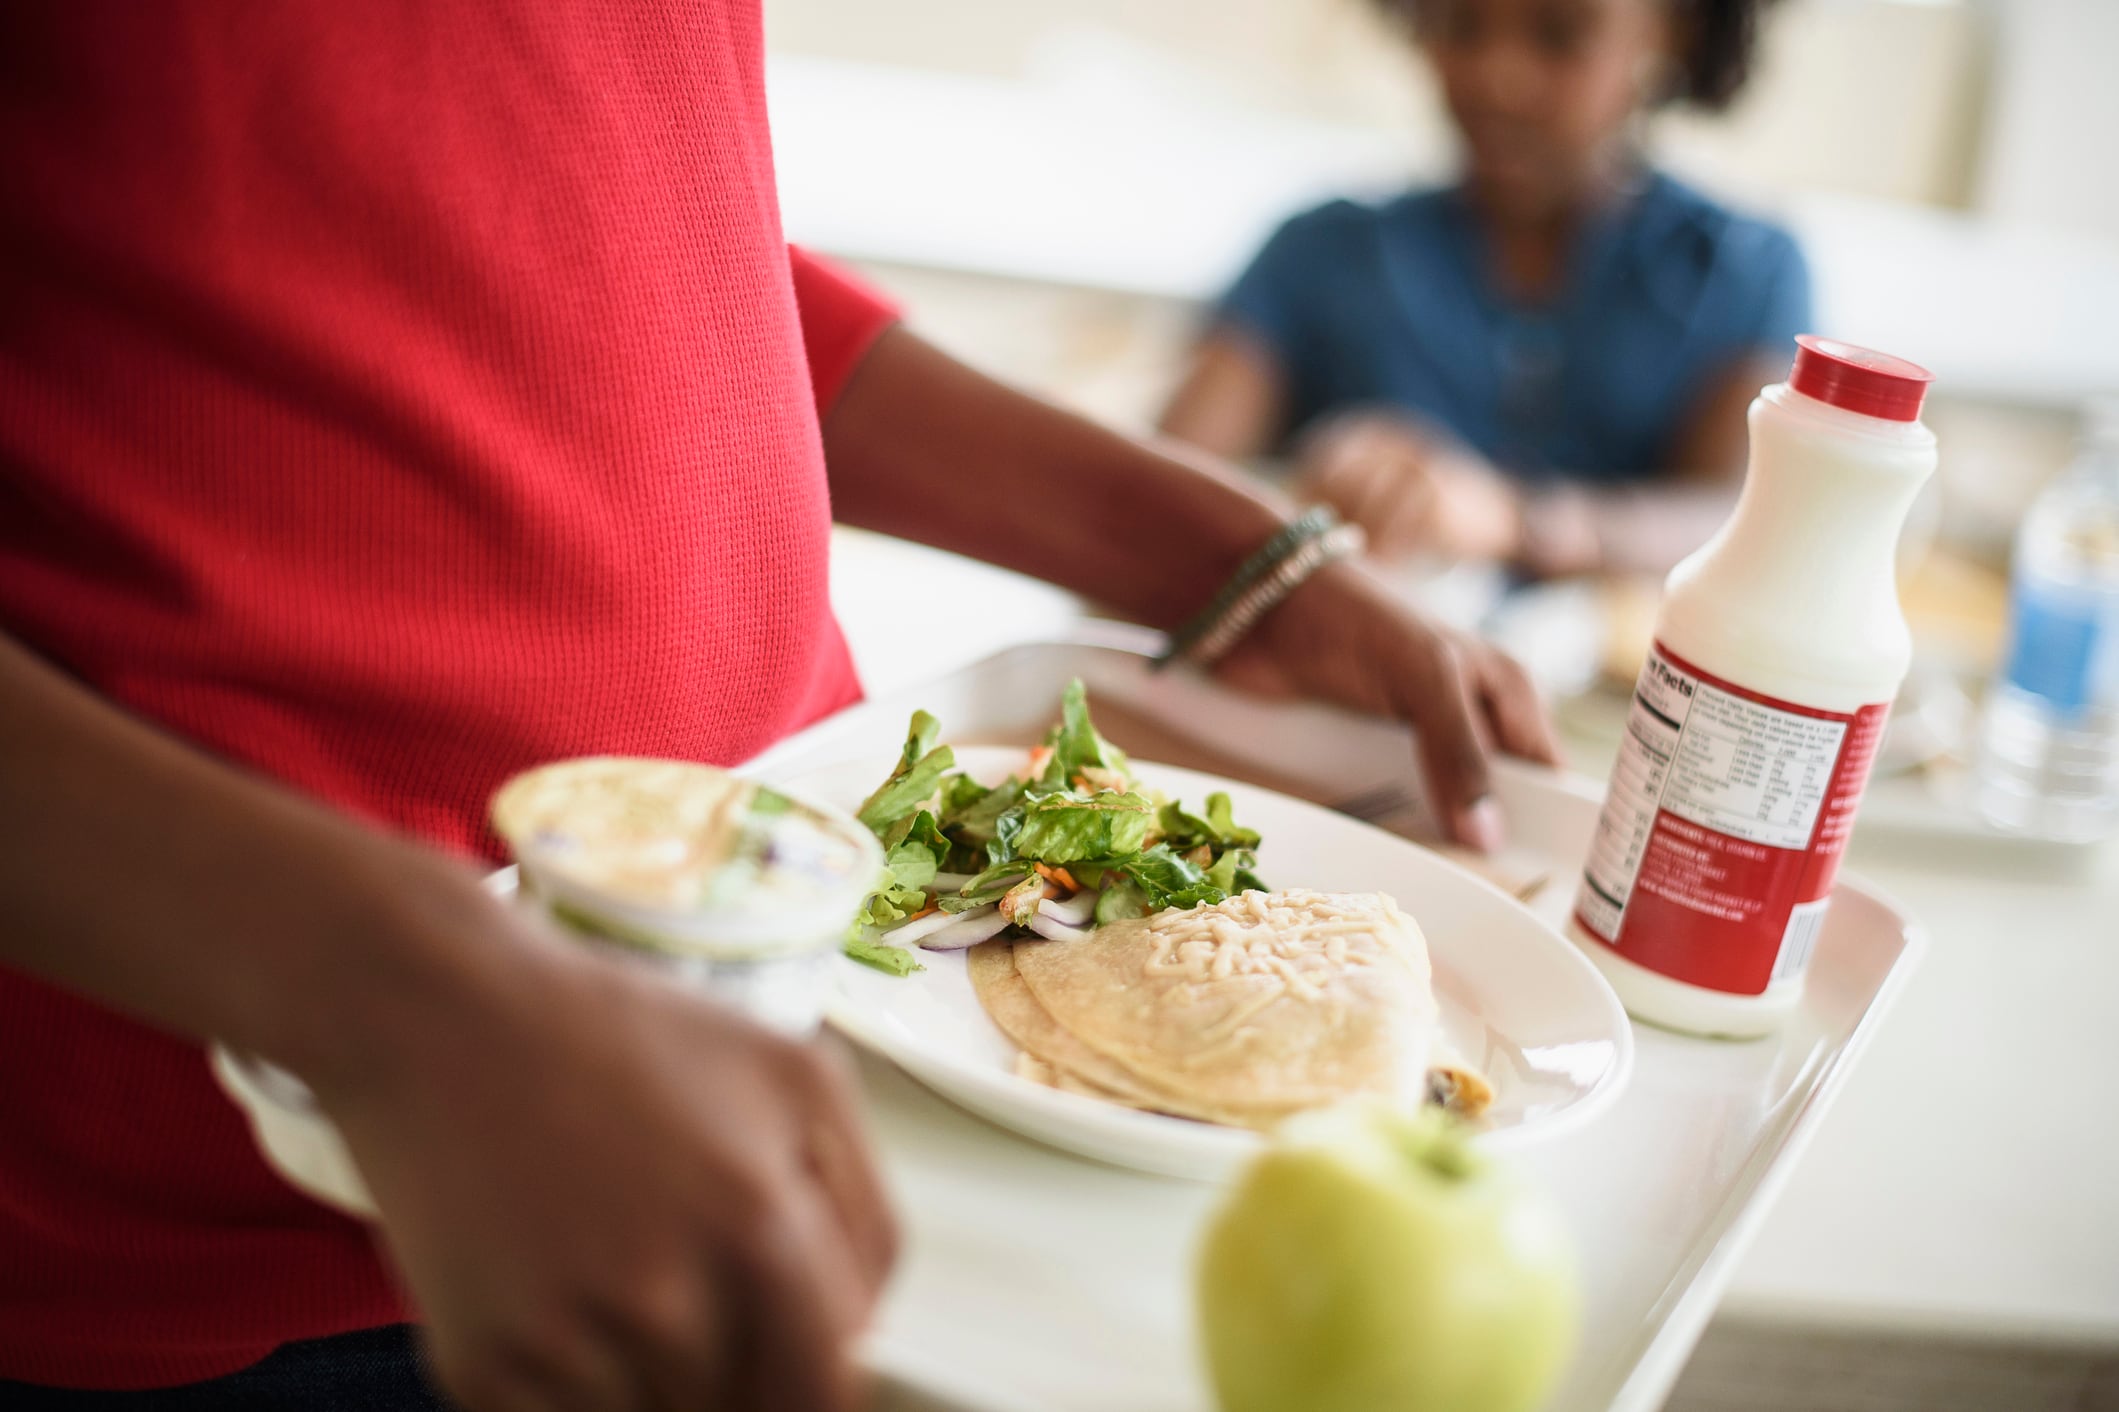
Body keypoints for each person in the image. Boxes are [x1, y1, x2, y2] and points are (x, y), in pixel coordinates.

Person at [0, 4, 1557, 1410]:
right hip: (262, 1191)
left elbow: (644, 263)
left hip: (827, 1039)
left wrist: (1228, 557)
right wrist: (393, 996)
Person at [1160, 0, 1811, 579]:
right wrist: (1306, 475)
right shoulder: (1319, 253)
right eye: (1460, 23)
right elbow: (1162, 484)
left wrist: (1514, 520)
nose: (1497, 78)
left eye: (1560, 34)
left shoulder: (1743, 271)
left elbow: (1742, 524)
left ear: (1676, 31)